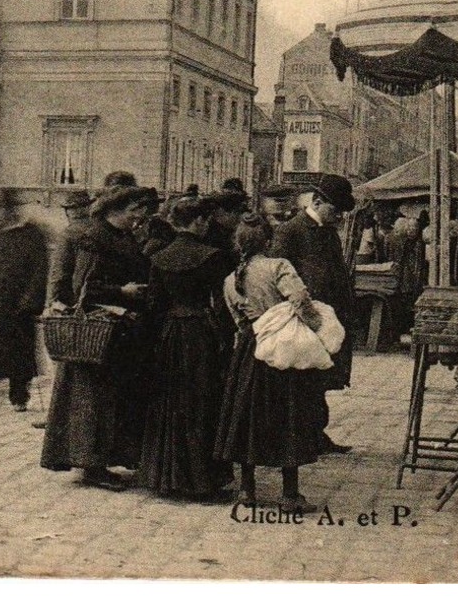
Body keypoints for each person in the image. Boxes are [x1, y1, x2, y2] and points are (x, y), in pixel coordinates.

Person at [40, 185, 154, 491]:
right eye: (134, 211)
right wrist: (122, 292)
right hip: (95, 329)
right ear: (115, 210)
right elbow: (82, 288)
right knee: (92, 400)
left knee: (110, 397)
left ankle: (107, 459)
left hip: (115, 331)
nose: (139, 217)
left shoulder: (122, 236)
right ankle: (91, 466)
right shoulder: (93, 238)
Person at [214, 213, 327, 513]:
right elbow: (300, 301)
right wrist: (317, 330)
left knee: (249, 415)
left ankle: (247, 490)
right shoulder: (280, 266)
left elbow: (237, 319)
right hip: (283, 347)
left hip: (251, 348)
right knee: (288, 414)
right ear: (268, 241)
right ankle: (290, 494)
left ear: (238, 243)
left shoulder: (230, 279)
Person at [136, 197, 237, 499]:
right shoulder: (213, 256)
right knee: (201, 402)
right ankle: (201, 480)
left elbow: (153, 305)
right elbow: (222, 306)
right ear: (196, 222)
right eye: (205, 221)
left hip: (169, 334)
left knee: (170, 402)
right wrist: (225, 338)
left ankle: (166, 477)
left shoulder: (159, 257)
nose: (207, 226)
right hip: (200, 334)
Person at [268, 174, 356, 455]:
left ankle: (316, 433)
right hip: (306, 317)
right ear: (317, 202)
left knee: (322, 377)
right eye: (335, 210)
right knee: (303, 378)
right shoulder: (290, 230)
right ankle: (300, 436)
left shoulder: (328, 231)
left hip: (329, 316)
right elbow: (279, 274)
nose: (339, 216)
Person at [0, 189, 49, 412]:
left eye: (3, 209)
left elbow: (40, 270)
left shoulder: (31, 234)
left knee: (20, 351)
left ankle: (19, 394)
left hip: (19, 304)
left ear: (13, 210)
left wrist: (31, 300)